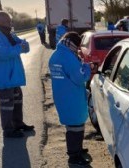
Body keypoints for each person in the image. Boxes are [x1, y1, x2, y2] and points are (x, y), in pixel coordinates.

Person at [0, 11, 34, 138]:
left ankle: (18, 124)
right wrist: (19, 48)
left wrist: (24, 45)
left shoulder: (9, 33)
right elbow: (2, 53)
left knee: (17, 100)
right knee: (7, 103)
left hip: (13, 76)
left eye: (10, 20)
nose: (10, 23)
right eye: (8, 21)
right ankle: (8, 130)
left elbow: (24, 47)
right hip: (3, 77)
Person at [49, 32, 93, 167]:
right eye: (78, 46)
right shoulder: (68, 57)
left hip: (64, 96)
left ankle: (77, 149)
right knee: (75, 127)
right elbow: (80, 77)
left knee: (74, 126)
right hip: (72, 97)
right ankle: (74, 156)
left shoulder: (57, 54)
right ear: (73, 44)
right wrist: (87, 67)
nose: (79, 49)